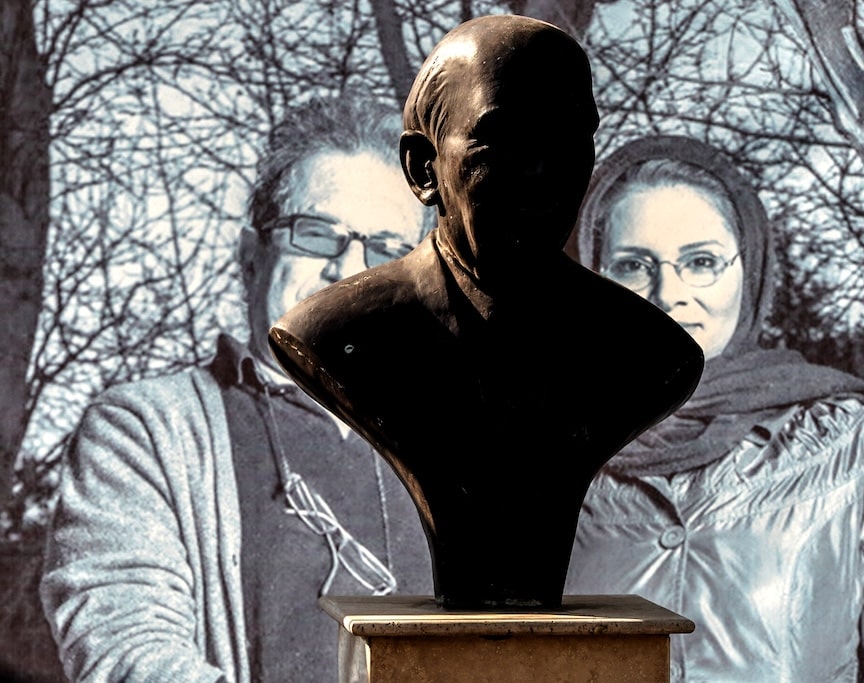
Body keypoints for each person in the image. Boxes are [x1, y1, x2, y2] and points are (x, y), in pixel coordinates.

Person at [269, 16, 703, 610]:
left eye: (570, 137)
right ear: (424, 168)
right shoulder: (337, 335)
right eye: (503, 139)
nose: (542, 171)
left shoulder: (649, 354)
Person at [40, 97, 433, 683]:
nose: (348, 270)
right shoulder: (145, 431)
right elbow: (128, 650)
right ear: (251, 257)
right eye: (316, 234)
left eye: (386, 248)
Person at [565, 135, 864, 682]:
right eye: (633, 265)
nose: (668, 293)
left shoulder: (854, 446)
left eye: (702, 261)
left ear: (751, 270)